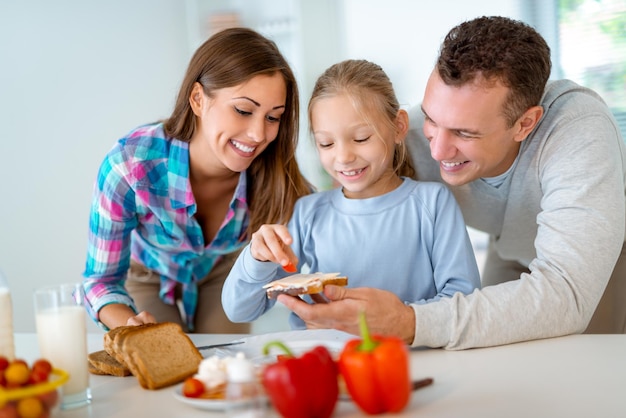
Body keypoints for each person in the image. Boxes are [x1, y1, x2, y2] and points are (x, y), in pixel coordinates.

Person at [276, 16, 626, 350]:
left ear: (525, 124)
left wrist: (411, 322)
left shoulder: (578, 133)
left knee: (587, 369)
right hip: (509, 245)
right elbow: (335, 198)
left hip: (596, 256)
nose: (438, 149)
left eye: (464, 132)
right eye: (430, 118)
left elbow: (566, 295)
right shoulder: (403, 135)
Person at [82, 27, 312, 333]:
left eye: (273, 117)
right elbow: (100, 281)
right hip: (149, 272)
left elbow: (328, 228)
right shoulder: (129, 164)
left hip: (223, 272)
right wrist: (129, 325)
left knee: (223, 366)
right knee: (166, 362)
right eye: (243, 110)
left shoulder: (277, 176)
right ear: (198, 99)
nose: (259, 135)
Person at [221, 59, 481, 328]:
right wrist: (256, 258)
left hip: (406, 360)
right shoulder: (308, 212)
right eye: (326, 143)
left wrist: (389, 320)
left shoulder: (432, 204)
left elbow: (463, 302)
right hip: (324, 360)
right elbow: (240, 310)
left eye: (361, 138)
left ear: (399, 127)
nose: (343, 157)